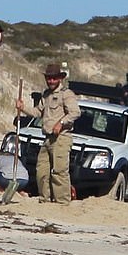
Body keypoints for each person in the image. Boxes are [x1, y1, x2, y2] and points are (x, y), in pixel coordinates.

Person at [16, 63, 80, 204]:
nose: (51, 81)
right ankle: (45, 199)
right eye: (49, 78)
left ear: (59, 79)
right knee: (41, 171)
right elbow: (38, 112)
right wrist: (23, 108)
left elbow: (75, 112)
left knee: (59, 172)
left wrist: (61, 123)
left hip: (62, 138)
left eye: (54, 78)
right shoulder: (46, 95)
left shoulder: (66, 94)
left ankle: (61, 202)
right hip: (47, 139)